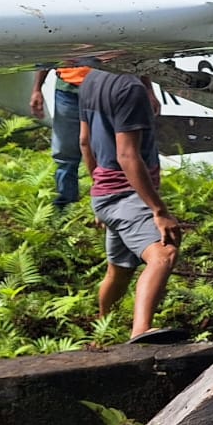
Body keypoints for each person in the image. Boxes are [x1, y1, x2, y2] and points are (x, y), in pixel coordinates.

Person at [78, 69, 182, 340]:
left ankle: (102, 327)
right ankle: (141, 331)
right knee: (164, 254)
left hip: (106, 194)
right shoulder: (129, 88)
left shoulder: (92, 78)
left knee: (120, 271)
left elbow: (84, 142)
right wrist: (159, 211)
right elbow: (127, 155)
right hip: (127, 194)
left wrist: (99, 190)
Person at [30, 62, 90, 207]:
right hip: (67, 89)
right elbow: (49, 50)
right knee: (65, 154)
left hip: (104, 88)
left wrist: (148, 89)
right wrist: (37, 88)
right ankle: (66, 207)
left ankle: (108, 206)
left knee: (107, 151)